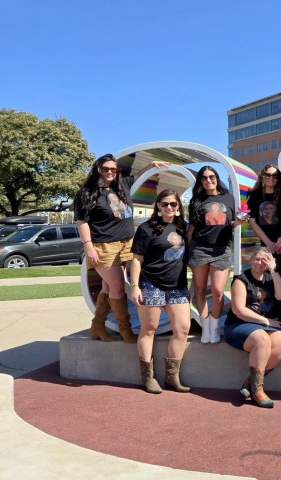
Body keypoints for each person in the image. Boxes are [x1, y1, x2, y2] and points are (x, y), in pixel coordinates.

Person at [74, 153, 169, 343]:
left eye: (113, 169)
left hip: (126, 242)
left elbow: (138, 175)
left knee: (108, 285)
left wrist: (151, 164)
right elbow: (82, 221)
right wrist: (89, 247)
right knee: (117, 286)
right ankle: (125, 329)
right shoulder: (86, 193)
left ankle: (98, 325)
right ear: (97, 169)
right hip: (103, 245)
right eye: (105, 169)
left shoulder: (122, 185)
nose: (110, 172)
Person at [129, 189, 191, 394]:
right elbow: (136, 259)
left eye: (173, 204)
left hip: (177, 286)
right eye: (165, 204)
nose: (169, 208)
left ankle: (172, 377)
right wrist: (135, 286)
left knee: (182, 329)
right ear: (158, 206)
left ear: (179, 206)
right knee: (149, 329)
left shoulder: (184, 226)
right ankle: (148, 378)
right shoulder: (146, 229)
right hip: (151, 284)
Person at [224, 248, 281, 408]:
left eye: (265, 260)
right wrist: (266, 321)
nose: (260, 263)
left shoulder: (270, 277)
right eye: (257, 259)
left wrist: (274, 270)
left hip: (263, 325)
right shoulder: (242, 279)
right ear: (251, 260)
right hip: (238, 325)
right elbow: (239, 310)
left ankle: (250, 383)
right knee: (261, 339)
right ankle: (258, 390)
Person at [188, 166, 240, 344]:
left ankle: (215, 325)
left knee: (218, 291)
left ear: (217, 178)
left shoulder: (228, 198)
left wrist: (238, 222)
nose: (208, 180)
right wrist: (187, 251)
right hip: (199, 248)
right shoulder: (197, 200)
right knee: (200, 289)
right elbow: (192, 228)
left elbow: (231, 223)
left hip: (222, 249)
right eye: (204, 178)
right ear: (200, 182)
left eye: (211, 177)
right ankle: (206, 327)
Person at [247, 165, 281, 334]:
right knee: (271, 278)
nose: (271, 178)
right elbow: (253, 222)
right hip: (268, 245)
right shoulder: (254, 196)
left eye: (275, 176)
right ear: (262, 176)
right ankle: (277, 315)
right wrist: (268, 243)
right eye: (268, 175)